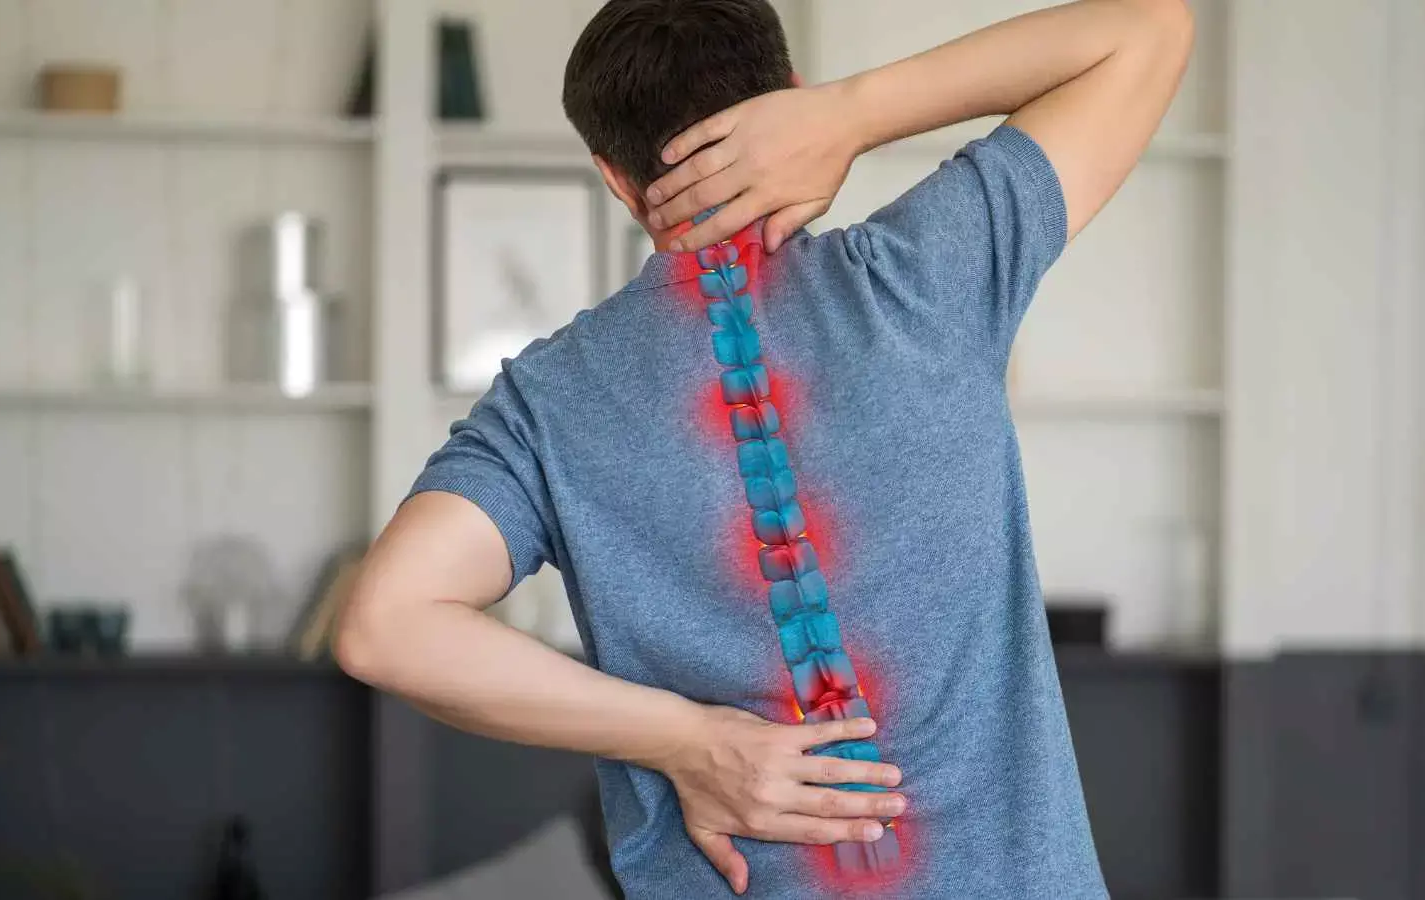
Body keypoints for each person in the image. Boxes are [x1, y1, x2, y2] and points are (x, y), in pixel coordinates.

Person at [333, 0, 1193, 896]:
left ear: (615, 180)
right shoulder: (930, 273)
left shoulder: (548, 402)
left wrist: (687, 740)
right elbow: (1148, 30)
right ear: (791, 96)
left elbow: (386, 625)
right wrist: (853, 114)